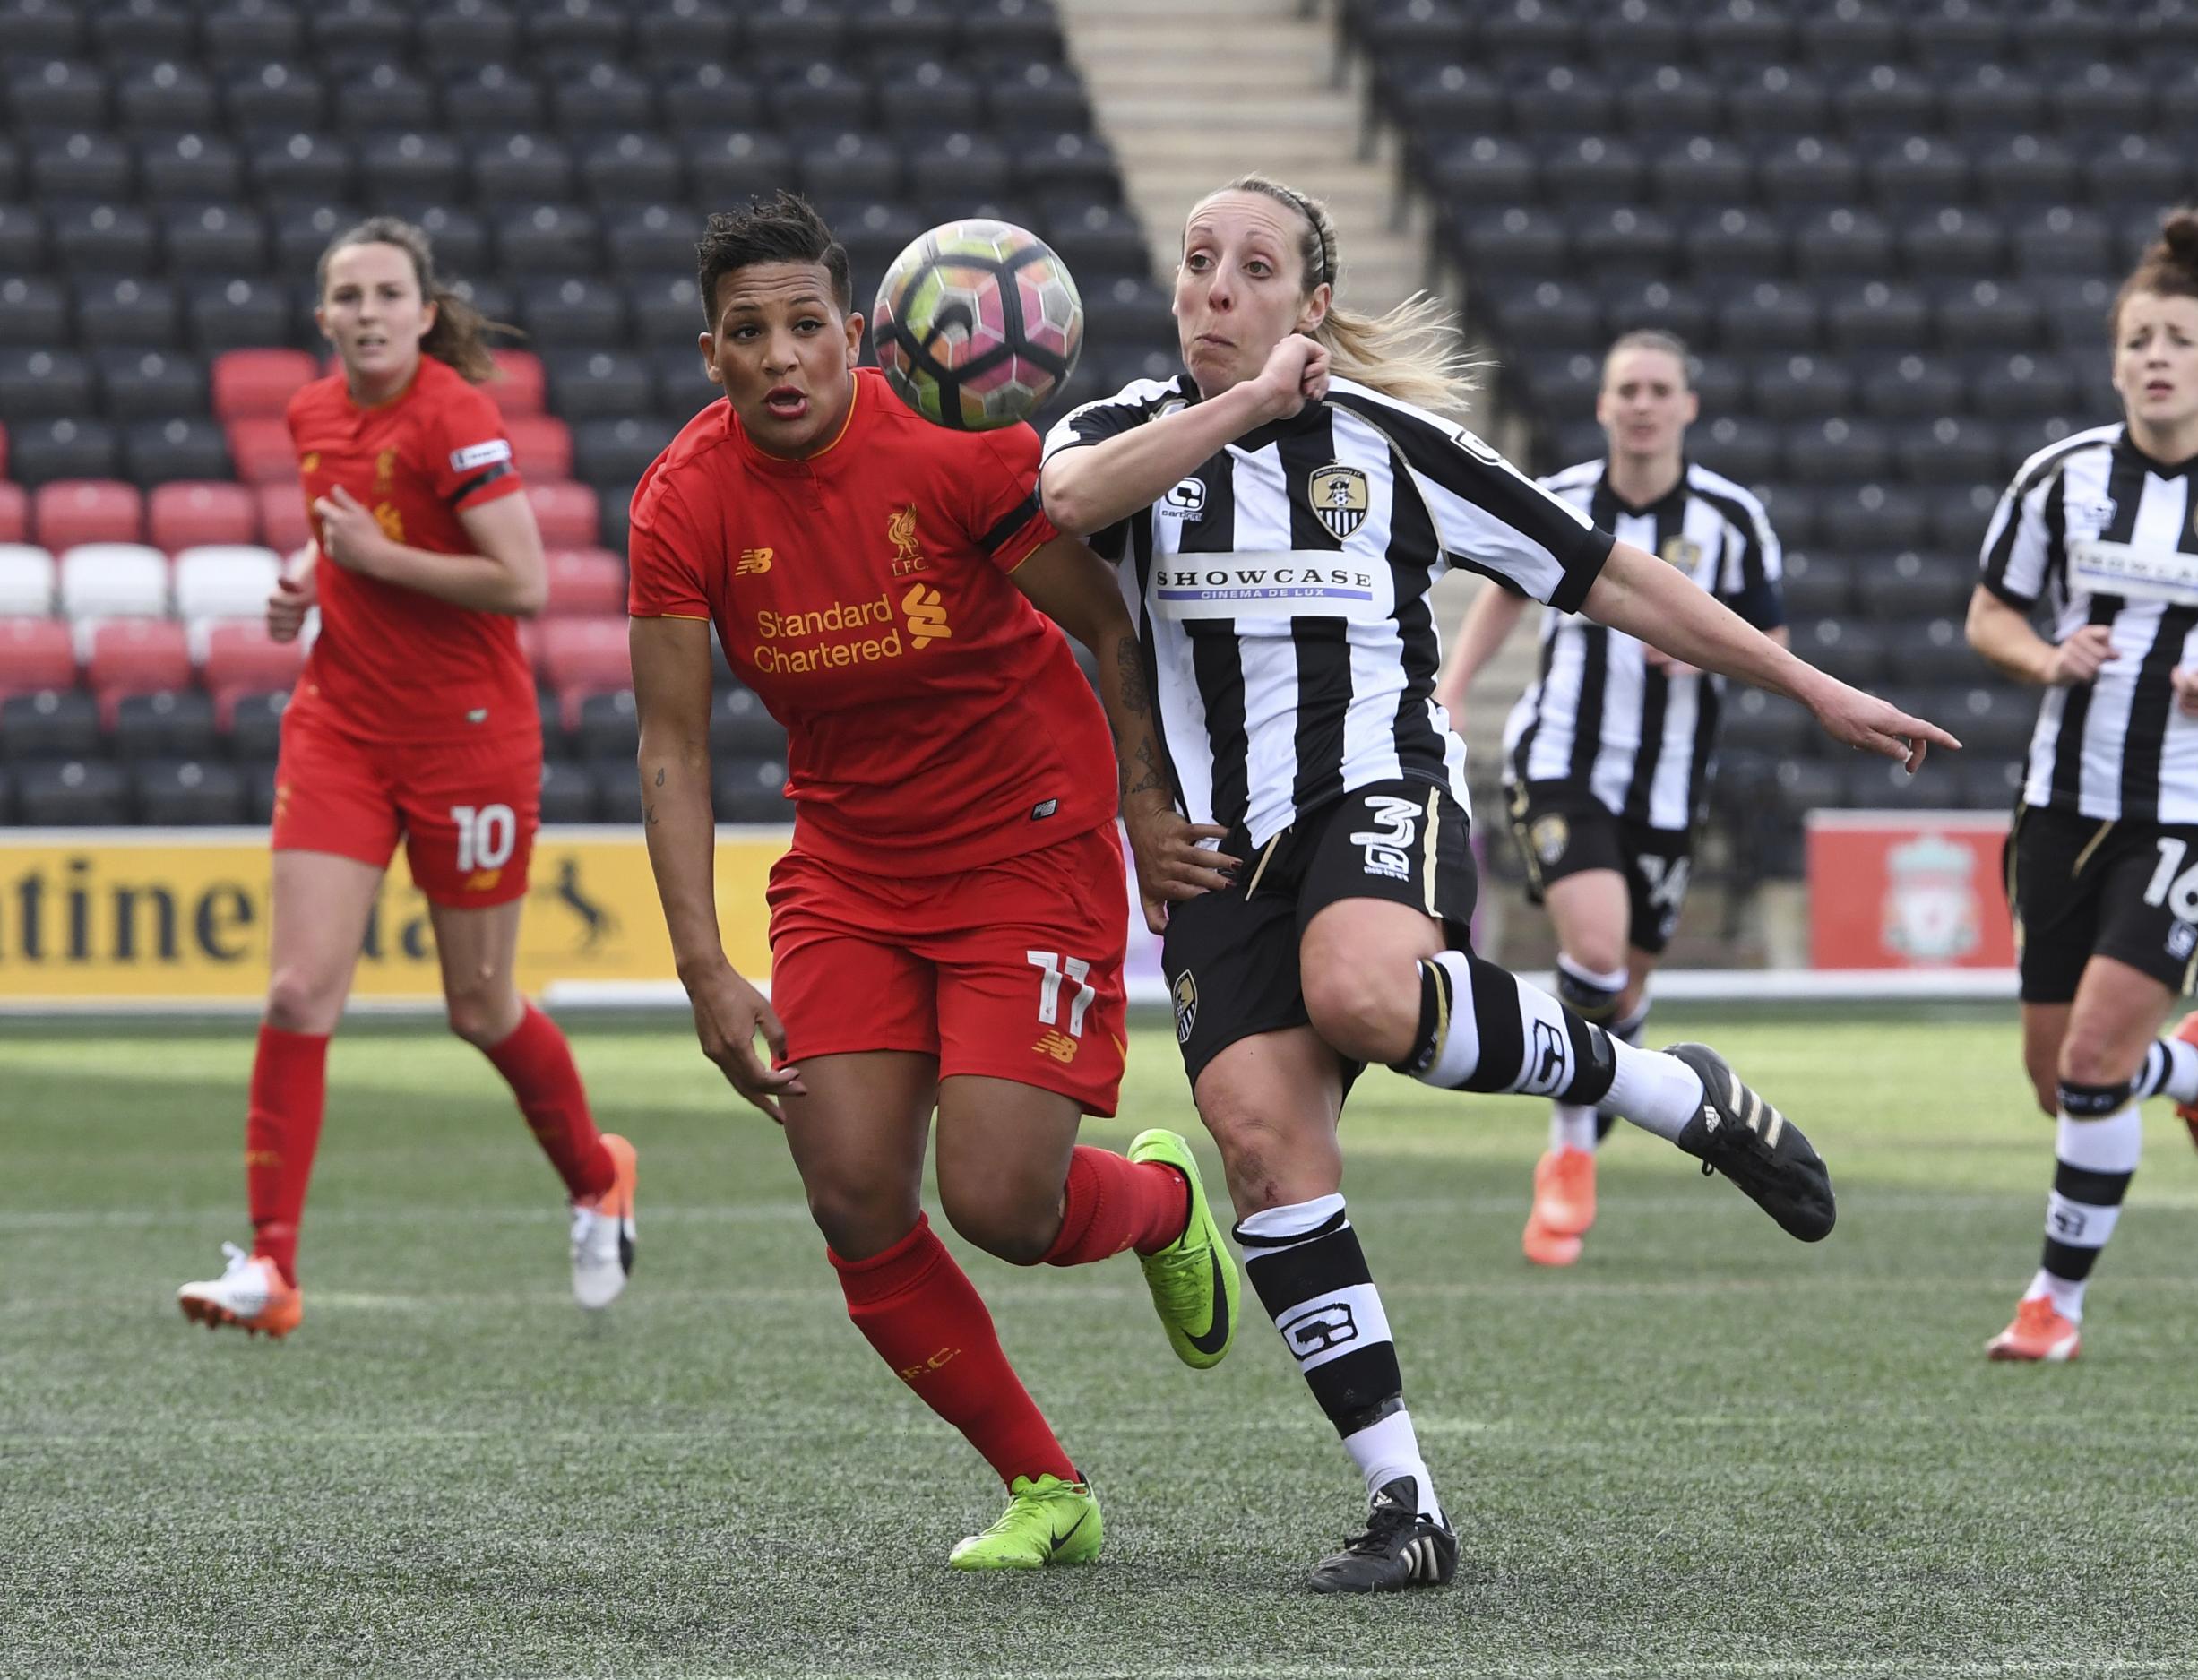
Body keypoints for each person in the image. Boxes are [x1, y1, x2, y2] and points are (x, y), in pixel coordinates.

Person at [1039, 174, 1956, 1592]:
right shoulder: (1121, 434)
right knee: (1262, 1147)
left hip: (1376, 791)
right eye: (1199, 262)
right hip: (1215, 852)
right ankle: (1409, 1506)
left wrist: (1807, 680)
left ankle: (1669, 1094)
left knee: (1361, 989)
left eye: (1255, 266)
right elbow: (1063, 506)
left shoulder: (1396, 447)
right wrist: (1238, 413)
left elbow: (1614, 577)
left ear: (1314, 305)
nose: (1216, 287)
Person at [627, 195, 1240, 1572]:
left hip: (1025, 842)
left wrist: (1147, 805)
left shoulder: (960, 451)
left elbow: (1104, 618)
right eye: (746, 333)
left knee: (1002, 1205)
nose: (779, 356)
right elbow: (669, 743)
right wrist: (704, 965)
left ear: (855, 336)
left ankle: (1160, 1203)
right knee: (851, 1189)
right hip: (849, 865)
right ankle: (1047, 1483)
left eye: (803, 327)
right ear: (711, 353)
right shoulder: (682, 502)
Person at [176, 218, 635, 1340]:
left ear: (424, 313)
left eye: (389, 293)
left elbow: (521, 580)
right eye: (349, 295)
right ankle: (272, 1269)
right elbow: (341, 536)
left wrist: (373, 562)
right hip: (338, 727)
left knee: (477, 1005)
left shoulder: (454, 415)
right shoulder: (311, 413)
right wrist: (307, 580)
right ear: (324, 316)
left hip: (469, 741)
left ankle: (597, 1177)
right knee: (297, 991)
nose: (369, 311)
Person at [1435, 330, 1788, 1268]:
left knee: (1623, 988)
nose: (1639, 403)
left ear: (1686, 407)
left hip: (1670, 786)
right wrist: (1457, 684)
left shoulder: (1733, 518)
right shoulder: (1564, 500)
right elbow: (1508, 588)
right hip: (1559, 762)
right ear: (1602, 407)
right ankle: (1567, 1152)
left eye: (1656, 388)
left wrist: (1704, 642)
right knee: (1591, 953)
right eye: (1624, 388)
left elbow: (1772, 639)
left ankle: (1592, 1112)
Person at [1965, 207, 2198, 1365]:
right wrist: (2048, 654)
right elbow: (1989, 615)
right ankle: (2193, 1068)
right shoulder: (2060, 478)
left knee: (2089, 1064)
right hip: (2060, 802)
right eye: (2137, 339)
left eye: (2178, 337)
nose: (2155, 358)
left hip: (2192, 811)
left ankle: (2053, 1304)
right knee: (2057, 1074)